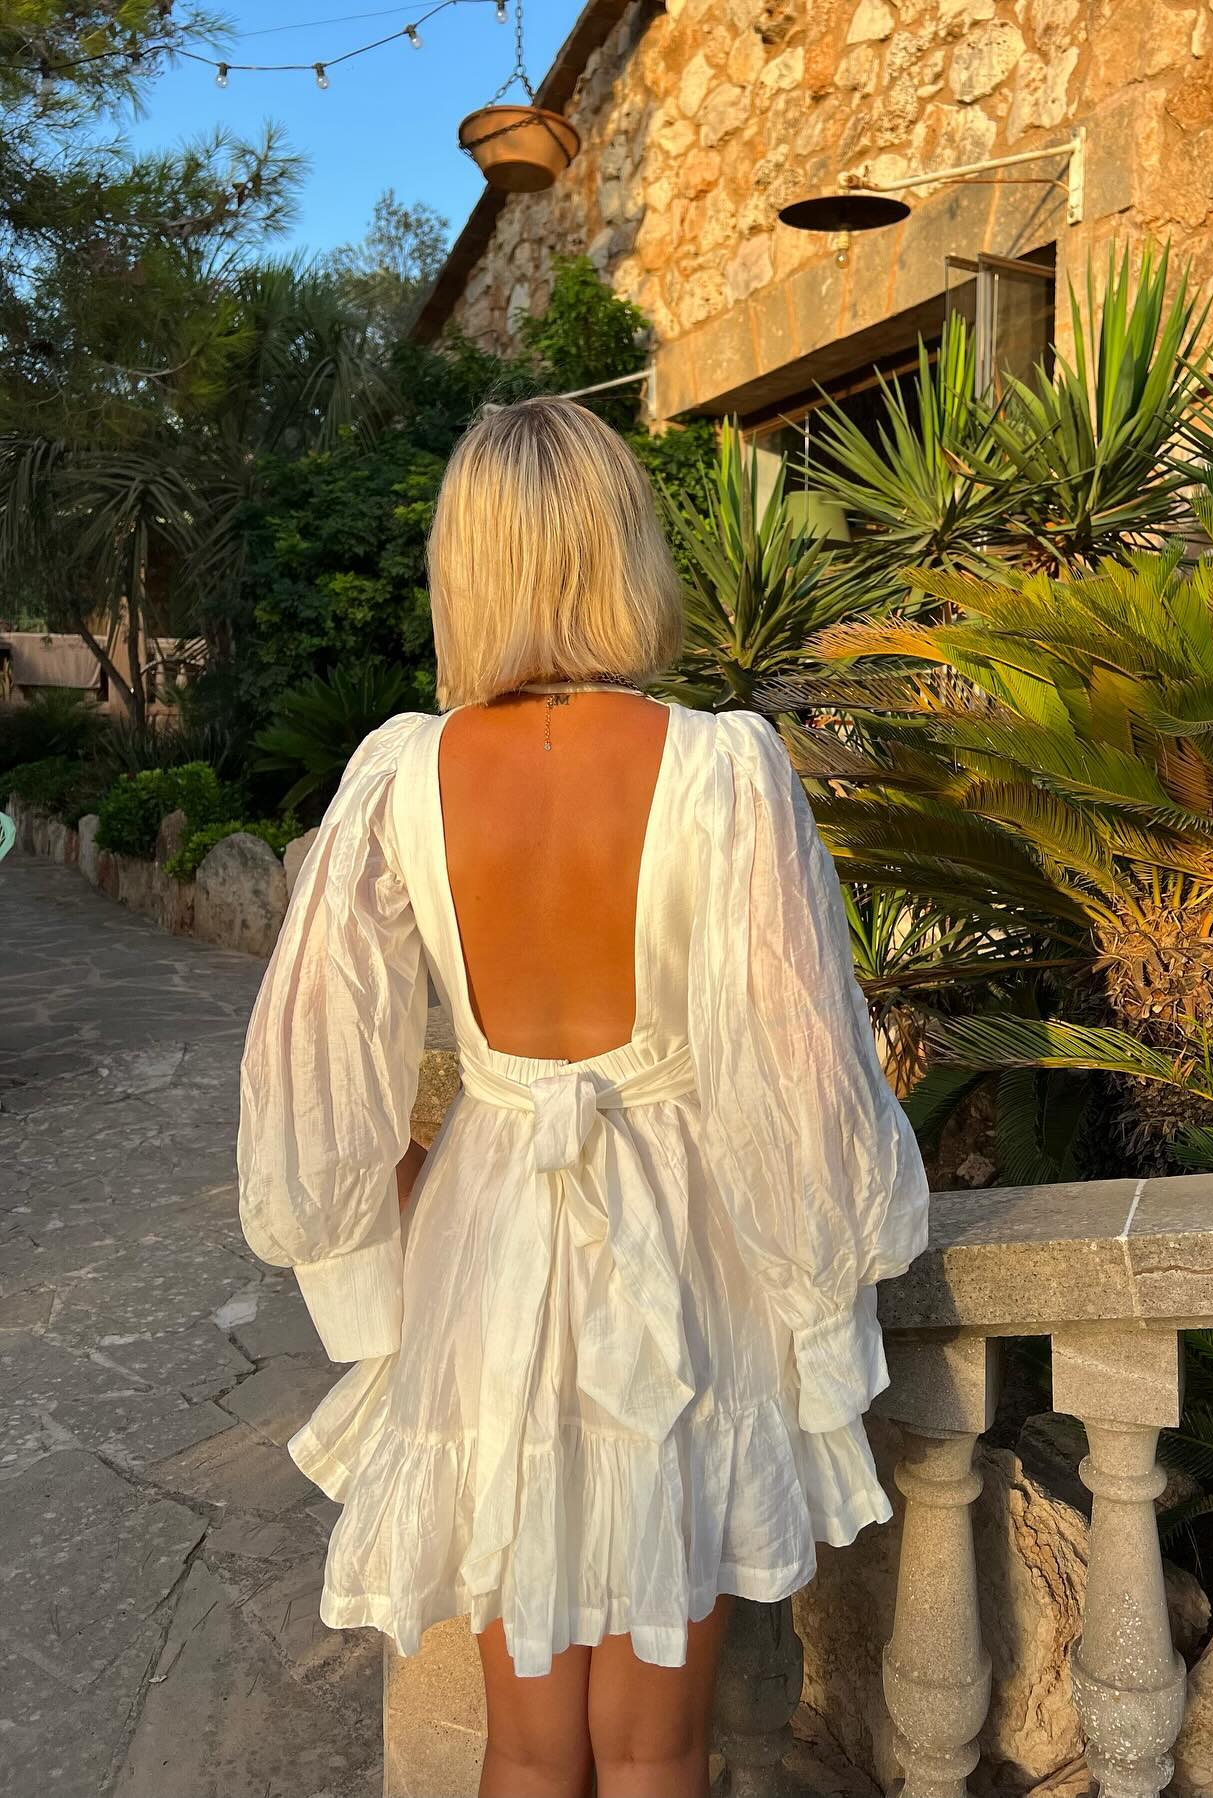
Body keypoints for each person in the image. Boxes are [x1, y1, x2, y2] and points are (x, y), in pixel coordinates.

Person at [236, 396, 930, 1798]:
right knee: (657, 1744)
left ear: (466, 564)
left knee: (527, 1745)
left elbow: (312, 1063)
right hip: (680, 1251)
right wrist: (824, 1281)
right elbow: (801, 1074)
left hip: (486, 1244)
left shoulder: (399, 776)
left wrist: (394, 1209)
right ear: (623, 547)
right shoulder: (724, 767)